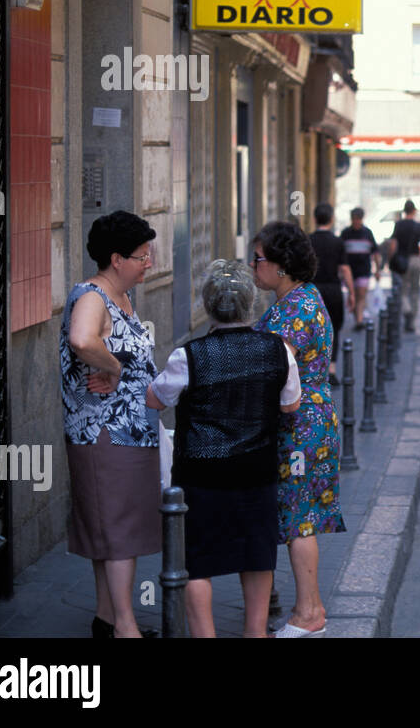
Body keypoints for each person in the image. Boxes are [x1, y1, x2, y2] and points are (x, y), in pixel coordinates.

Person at [145, 260, 301, 638]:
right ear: (251, 304)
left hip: (201, 476)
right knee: (257, 554)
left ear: (208, 306)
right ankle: (254, 632)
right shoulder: (278, 349)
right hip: (257, 471)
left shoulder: (188, 356)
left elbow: (155, 400)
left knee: (198, 561)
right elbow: (291, 403)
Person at [59, 210, 161, 639]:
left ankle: (107, 618)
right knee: (116, 529)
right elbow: (82, 340)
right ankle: (125, 627)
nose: (149, 262)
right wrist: (115, 367)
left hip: (128, 433)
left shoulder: (120, 298)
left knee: (112, 528)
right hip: (104, 433)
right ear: (116, 258)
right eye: (141, 256)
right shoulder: (92, 297)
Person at [251, 220, 346, 637]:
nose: (253, 267)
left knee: (299, 516)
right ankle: (303, 608)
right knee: (296, 513)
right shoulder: (302, 298)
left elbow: (277, 370)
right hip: (311, 417)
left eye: (257, 259)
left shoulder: (295, 308)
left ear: (280, 265)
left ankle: (309, 613)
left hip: (300, 423)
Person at [308, 203, 352, 385]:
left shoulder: (307, 241)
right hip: (333, 290)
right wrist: (352, 292)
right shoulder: (338, 242)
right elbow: (345, 269)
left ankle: (314, 368)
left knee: (312, 329)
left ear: (314, 219)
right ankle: (331, 369)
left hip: (313, 290)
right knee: (333, 329)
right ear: (331, 219)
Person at [384, 199, 420, 333]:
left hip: (403, 261)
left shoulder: (398, 225)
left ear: (404, 211)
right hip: (416, 260)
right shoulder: (418, 226)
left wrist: (390, 261)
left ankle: (406, 310)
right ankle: (412, 320)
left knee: (403, 290)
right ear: (414, 211)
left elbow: (393, 245)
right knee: (415, 291)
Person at [339, 207, 378, 329]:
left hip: (364, 270)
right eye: (354, 219)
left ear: (361, 219)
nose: (356, 221)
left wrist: (378, 270)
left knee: (361, 294)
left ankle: (359, 321)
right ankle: (358, 317)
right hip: (349, 271)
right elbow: (339, 252)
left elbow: (375, 252)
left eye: (358, 219)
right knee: (354, 294)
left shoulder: (368, 233)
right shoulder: (345, 233)